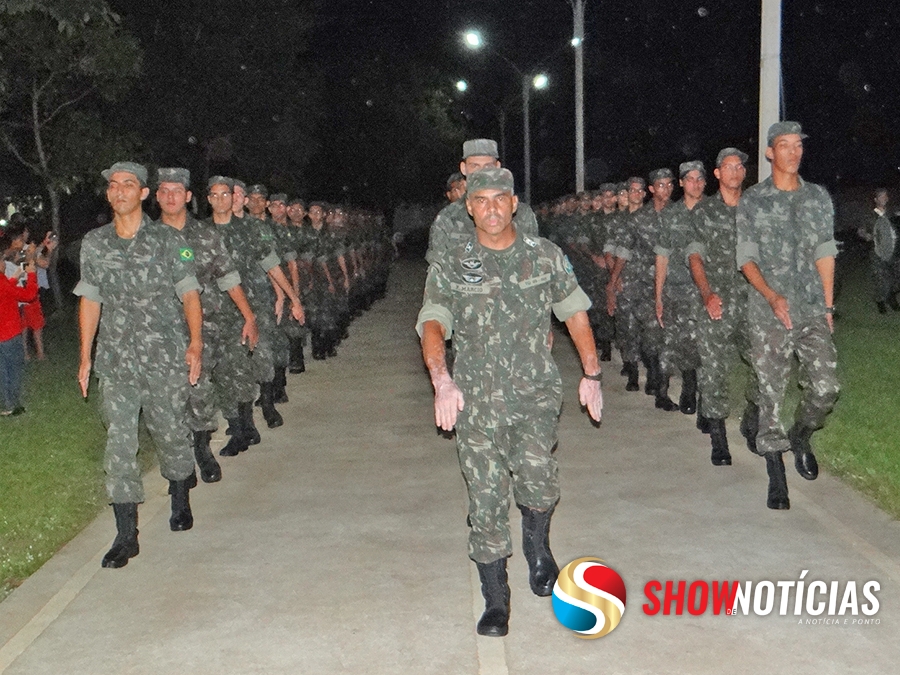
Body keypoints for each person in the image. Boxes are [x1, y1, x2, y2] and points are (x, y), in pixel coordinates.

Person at [417, 167, 603, 637]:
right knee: (485, 500)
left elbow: (575, 313)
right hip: (474, 402)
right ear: (470, 207)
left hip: (535, 396)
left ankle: (538, 550)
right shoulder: (452, 262)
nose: (493, 208)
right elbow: (433, 322)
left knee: (539, 481)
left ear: (515, 203)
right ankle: (496, 598)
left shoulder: (544, 256)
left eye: (501, 199)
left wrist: (592, 373)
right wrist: (442, 381)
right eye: (482, 200)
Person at [74, 161, 203, 568]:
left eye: (128, 185)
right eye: (113, 186)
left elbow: (189, 294)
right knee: (119, 444)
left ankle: (180, 493)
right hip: (117, 361)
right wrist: (84, 355)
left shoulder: (169, 241)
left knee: (170, 433)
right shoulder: (94, 244)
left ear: (143, 193)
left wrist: (195, 344)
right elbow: (90, 299)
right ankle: (126, 535)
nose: (119, 191)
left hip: (165, 358)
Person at [736, 122, 840, 510]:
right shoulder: (753, 200)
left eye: (798, 145)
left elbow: (825, 252)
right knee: (772, 392)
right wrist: (770, 295)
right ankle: (776, 472)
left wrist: (828, 307)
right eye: (785, 145)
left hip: (811, 306)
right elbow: (745, 258)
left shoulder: (817, 197)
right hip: (768, 310)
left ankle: (801, 435)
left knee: (827, 386)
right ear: (770, 153)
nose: (794, 152)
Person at [156, 168, 258, 482]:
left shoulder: (204, 235)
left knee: (199, 391)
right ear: (157, 196)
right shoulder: (145, 236)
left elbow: (228, 277)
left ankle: (202, 449)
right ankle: (179, 461)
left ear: (188, 197)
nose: (171, 197)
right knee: (167, 398)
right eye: (164, 191)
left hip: (204, 327)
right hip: (158, 331)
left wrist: (249, 316)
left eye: (177, 191)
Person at [687, 148, 758, 466]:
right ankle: (719, 437)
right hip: (716, 300)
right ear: (716, 174)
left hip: (752, 302)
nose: (734, 171)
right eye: (727, 166)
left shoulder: (755, 211)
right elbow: (694, 257)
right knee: (714, 370)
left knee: (763, 364)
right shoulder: (703, 213)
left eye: (739, 166)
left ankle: (752, 418)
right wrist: (707, 295)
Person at [425, 139, 539, 264]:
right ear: (463, 168)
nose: (481, 173)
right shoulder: (448, 218)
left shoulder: (522, 214)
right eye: (474, 166)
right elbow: (439, 270)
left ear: (497, 167)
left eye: (488, 166)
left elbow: (533, 260)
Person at [655, 161, 706, 415]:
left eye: (700, 179)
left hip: (709, 290)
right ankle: (688, 384)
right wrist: (658, 295)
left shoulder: (714, 211)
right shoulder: (670, 215)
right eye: (690, 179)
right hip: (677, 289)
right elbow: (661, 256)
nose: (695, 184)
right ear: (682, 183)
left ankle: (707, 401)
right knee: (680, 342)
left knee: (707, 344)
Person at [0, 231, 37, 416]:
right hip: (9, 335)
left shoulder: (3, 281)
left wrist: (18, 272)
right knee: (12, 370)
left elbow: (7, 286)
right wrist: (31, 275)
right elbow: (29, 295)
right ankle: (11, 405)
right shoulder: (2, 283)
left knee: (2, 370)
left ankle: (7, 403)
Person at [868, 189, 900, 313]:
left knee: (896, 279)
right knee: (882, 280)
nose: (884, 198)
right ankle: (880, 301)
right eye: (881, 196)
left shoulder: (892, 214)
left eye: (886, 196)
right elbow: (861, 230)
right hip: (878, 254)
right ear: (876, 199)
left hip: (894, 252)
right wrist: (867, 235)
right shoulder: (870, 216)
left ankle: (891, 297)